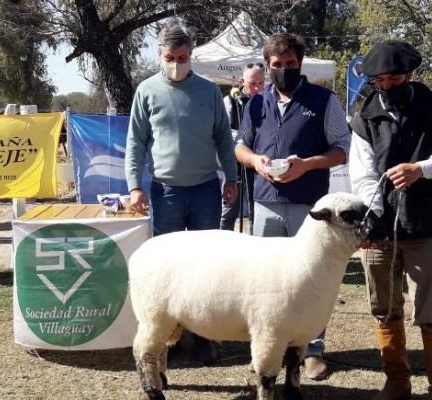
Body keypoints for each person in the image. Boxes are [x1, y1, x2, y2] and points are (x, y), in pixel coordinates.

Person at [349, 40, 432, 400]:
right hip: (381, 232)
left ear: (410, 74)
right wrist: (373, 219)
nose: (386, 85)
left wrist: (423, 168)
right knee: (384, 310)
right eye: (379, 80)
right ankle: (397, 382)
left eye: (394, 78)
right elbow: (364, 176)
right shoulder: (364, 117)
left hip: (424, 226)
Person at [235, 33, 351, 381]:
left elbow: (343, 148)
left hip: (311, 207)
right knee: (264, 282)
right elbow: (240, 146)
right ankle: (266, 350)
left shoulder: (324, 99)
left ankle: (312, 351)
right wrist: (255, 161)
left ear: (300, 64)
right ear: (267, 66)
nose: (284, 70)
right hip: (266, 204)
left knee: (312, 281)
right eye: (277, 65)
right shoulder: (256, 104)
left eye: (290, 64)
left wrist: (307, 163)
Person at [124, 20, 238, 365]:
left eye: (184, 56)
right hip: (165, 192)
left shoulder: (209, 91)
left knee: (207, 268)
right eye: (171, 57)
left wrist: (230, 179)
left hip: (206, 189)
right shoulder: (146, 91)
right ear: (160, 55)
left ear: (191, 54)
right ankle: (170, 341)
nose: (177, 62)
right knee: (169, 270)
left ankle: (206, 338)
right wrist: (134, 186)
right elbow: (136, 142)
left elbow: (223, 138)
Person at [220, 64, 265, 232]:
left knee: (257, 210)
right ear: (242, 81)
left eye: (261, 83)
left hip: (258, 162)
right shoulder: (231, 101)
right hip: (235, 163)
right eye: (252, 83)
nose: (257, 88)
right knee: (230, 210)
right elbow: (223, 131)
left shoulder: (267, 100)